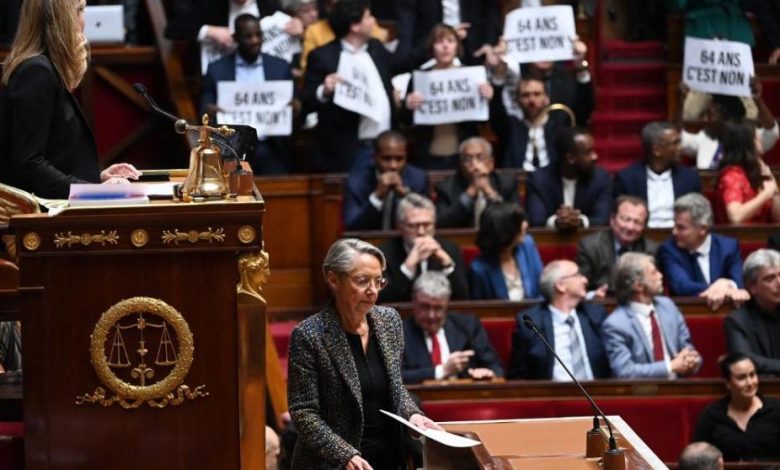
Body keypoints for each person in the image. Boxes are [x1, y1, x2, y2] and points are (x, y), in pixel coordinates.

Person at [287, 238, 441, 469]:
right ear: (333, 279)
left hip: (388, 456)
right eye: (362, 281)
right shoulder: (309, 335)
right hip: (334, 463)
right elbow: (303, 412)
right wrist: (344, 455)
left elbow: (395, 388)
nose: (372, 291)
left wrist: (413, 415)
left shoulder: (389, 321)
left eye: (378, 282)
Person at [0, 0, 141, 199]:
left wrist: (97, 178)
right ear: (63, 20)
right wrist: (93, 192)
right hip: (42, 220)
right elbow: (30, 163)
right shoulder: (36, 71)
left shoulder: (43, 68)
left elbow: (54, 155)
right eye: (81, 10)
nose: (85, 20)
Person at [302, 0, 415, 172]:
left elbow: (400, 65)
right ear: (355, 26)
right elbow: (307, 99)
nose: (374, 21)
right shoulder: (323, 56)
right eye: (369, 17)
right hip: (349, 151)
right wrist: (324, 90)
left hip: (386, 145)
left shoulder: (376, 48)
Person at [200, 14, 295, 175]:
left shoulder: (280, 67)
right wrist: (211, 110)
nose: (255, 40)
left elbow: (295, 105)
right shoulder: (217, 69)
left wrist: (295, 106)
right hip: (233, 147)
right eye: (248, 36)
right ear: (236, 38)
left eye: (258, 35)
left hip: (271, 144)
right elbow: (204, 109)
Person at [402, 24, 493, 170]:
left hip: (463, 157)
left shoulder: (471, 76)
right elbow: (404, 119)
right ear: (432, 47)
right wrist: (407, 104)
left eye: (450, 41)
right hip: (428, 155)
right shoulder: (420, 77)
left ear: (457, 46)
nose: (445, 46)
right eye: (439, 42)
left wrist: (488, 97)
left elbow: (484, 119)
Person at [507, 259, 611, 380]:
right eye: (577, 275)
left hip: (595, 395)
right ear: (561, 285)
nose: (585, 280)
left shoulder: (596, 314)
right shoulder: (531, 322)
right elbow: (518, 376)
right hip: (552, 395)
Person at [603, 252, 701, 378]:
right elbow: (625, 372)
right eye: (654, 273)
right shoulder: (616, 324)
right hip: (642, 394)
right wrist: (670, 366)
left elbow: (687, 347)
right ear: (638, 286)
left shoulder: (668, 306)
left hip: (678, 388)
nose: (661, 275)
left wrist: (692, 359)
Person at [401, 271, 503, 383]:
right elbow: (397, 377)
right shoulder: (399, 333)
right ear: (414, 301)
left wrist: (488, 373)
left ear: (447, 304)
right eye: (425, 307)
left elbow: (495, 366)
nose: (431, 315)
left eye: (438, 308)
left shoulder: (468, 326)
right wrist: (441, 371)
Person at [657, 193, 749, 309]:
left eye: (681, 227)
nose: (674, 232)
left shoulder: (728, 247)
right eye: (674, 225)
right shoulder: (669, 249)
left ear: (703, 229)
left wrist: (729, 285)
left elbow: (739, 280)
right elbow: (682, 286)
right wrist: (723, 289)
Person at [377, 193, 469, 302]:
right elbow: (383, 301)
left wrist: (447, 264)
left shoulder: (450, 250)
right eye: (413, 226)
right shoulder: (383, 255)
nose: (421, 232)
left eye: (427, 225)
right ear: (399, 226)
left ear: (434, 225)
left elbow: (463, 299)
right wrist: (408, 267)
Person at [693, 353, 780, 462]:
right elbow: (699, 459)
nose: (750, 383)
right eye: (741, 377)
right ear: (728, 383)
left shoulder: (776, 409)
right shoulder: (712, 415)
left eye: (752, 375)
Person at [613, 122, 701, 228]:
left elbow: (698, 217)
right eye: (675, 143)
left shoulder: (690, 178)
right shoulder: (627, 179)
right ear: (657, 150)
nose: (680, 148)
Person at [525, 127, 612, 229]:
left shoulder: (600, 178)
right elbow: (536, 220)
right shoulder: (539, 179)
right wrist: (557, 221)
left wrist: (579, 221)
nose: (595, 157)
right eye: (588, 153)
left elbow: (603, 218)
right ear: (570, 158)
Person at [342, 131, 428, 230]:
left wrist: (405, 197)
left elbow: (424, 224)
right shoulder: (356, 182)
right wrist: (377, 197)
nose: (393, 166)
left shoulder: (418, 179)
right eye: (386, 159)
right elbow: (352, 226)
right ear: (374, 157)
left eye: (399, 159)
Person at [576, 195, 658, 292]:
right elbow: (582, 287)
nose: (630, 227)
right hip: (600, 302)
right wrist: (593, 296)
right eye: (625, 219)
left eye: (637, 222)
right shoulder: (590, 246)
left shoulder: (651, 249)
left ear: (644, 226)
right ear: (612, 219)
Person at [434, 137, 519, 228]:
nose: (474, 164)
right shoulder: (446, 187)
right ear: (460, 164)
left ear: (491, 163)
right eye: (467, 159)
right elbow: (442, 223)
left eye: (480, 158)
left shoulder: (506, 183)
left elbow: (516, 220)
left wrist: (490, 192)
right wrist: (470, 192)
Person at [492, 75, 571, 170]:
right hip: (519, 181)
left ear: (547, 99)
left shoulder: (558, 128)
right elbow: (497, 114)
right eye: (525, 95)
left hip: (552, 181)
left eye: (537, 94)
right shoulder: (511, 128)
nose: (531, 100)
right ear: (518, 100)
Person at [469, 202, 543, 301]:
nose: (525, 225)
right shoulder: (478, 269)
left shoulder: (527, 245)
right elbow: (482, 310)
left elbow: (541, 289)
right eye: (519, 222)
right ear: (506, 232)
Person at [725, 249, 780, 376]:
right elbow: (746, 361)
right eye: (770, 278)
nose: (779, 283)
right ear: (752, 287)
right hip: (760, 390)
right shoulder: (737, 321)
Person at [714, 119, 780, 224]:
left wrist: (773, 185)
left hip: (764, 236)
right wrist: (766, 194)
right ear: (747, 142)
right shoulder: (731, 176)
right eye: (757, 138)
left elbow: (778, 218)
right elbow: (736, 217)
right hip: (739, 238)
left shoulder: (757, 171)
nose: (760, 140)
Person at [395, 0, 499, 66]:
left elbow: (491, 8)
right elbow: (407, 15)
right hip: (430, 49)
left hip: (474, 48)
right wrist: (405, 57)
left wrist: (489, 43)